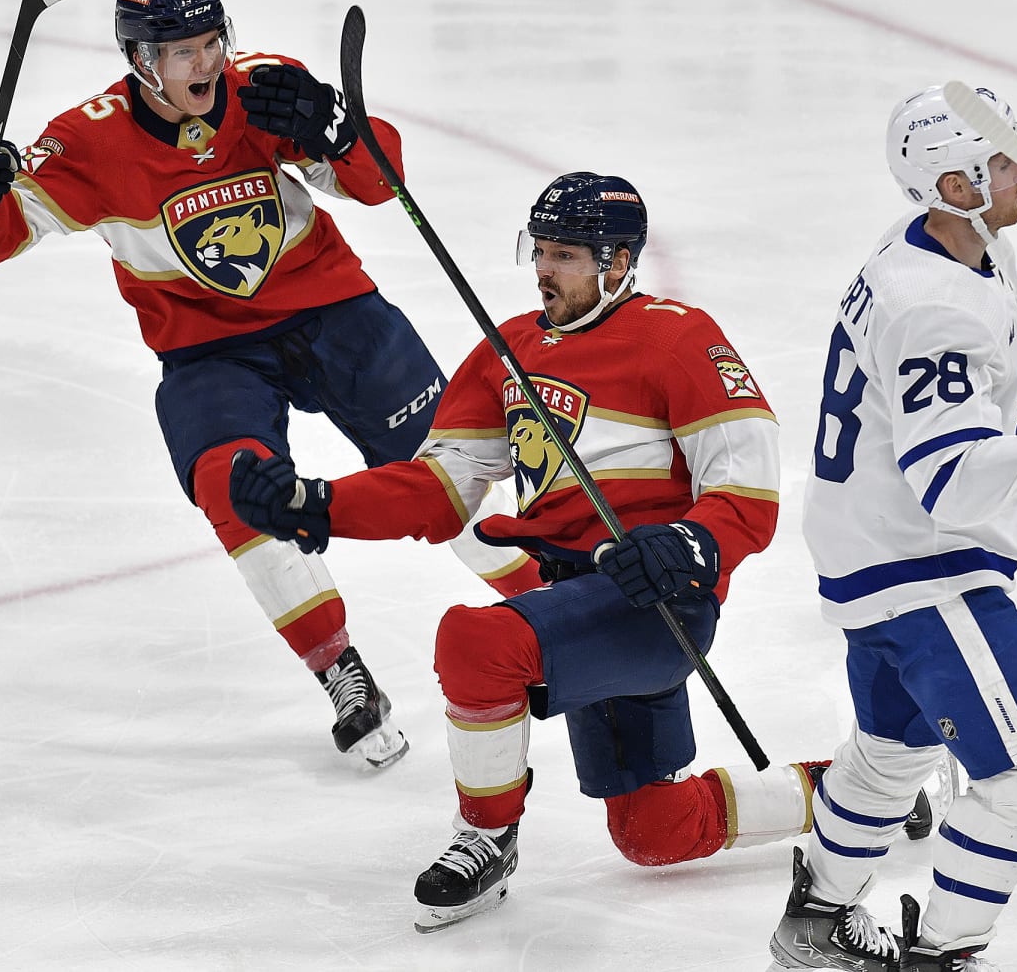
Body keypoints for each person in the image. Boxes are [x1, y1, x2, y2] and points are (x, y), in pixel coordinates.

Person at [0, 0, 545, 771]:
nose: (208, 62)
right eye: (184, 50)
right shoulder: (88, 140)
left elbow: (380, 184)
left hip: (335, 313)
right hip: (209, 348)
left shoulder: (262, 90)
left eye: (213, 40)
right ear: (141, 61)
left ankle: (551, 606)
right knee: (234, 482)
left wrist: (340, 128)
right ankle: (341, 670)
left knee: (444, 470)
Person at [226, 171, 827, 933]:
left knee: (478, 640)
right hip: (577, 599)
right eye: (538, 249)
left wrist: (687, 542)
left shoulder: (678, 336)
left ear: (617, 262)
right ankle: (849, 795)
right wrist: (319, 504)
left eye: (566, 254)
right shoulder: (508, 350)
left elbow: (749, 482)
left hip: (657, 600)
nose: (543, 268)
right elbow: (438, 491)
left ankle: (485, 838)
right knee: (652, 829)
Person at [765, 85, 1017, 972]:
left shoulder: (947, 249)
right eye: (1000, 157)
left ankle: (817, 922)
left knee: (891, 747)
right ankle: (944, 955)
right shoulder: (936, 305)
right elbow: (949, 478)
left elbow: (978, 413)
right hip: (925, 567)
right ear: (953, 183)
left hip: (867, 552)